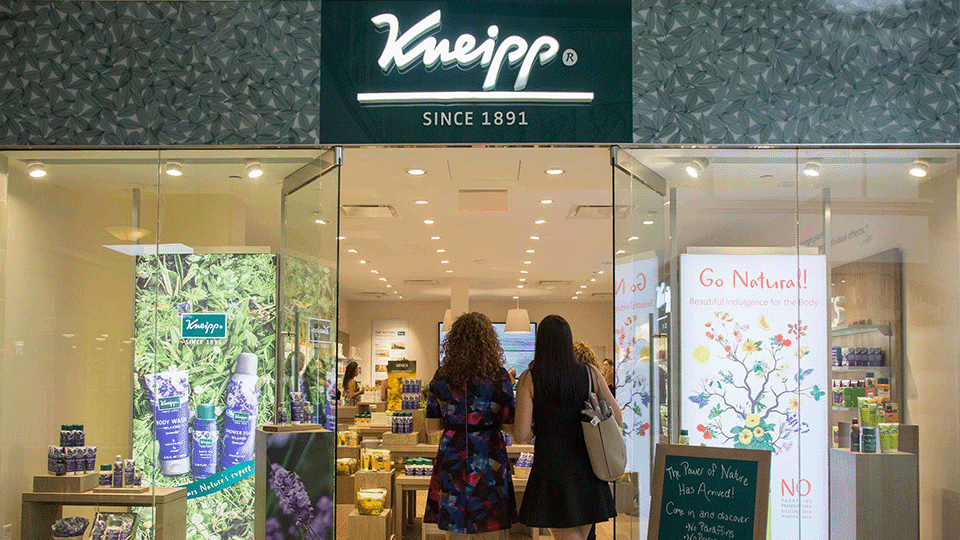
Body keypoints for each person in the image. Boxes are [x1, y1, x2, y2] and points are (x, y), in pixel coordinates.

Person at [514, 315, 622, 540]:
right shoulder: (591, 372)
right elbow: (617, 417)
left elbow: (521, 434)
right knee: (579, 535)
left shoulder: (529, 379)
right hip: (589, 465)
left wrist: (540, 426)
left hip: (552, 467)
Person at [424, 312, 516, 540]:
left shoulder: (443, 376)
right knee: (489, 522)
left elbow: (431, 426)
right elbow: (510, 426)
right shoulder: (499, 377)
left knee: (455, 523)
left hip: (453, 452)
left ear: (454, 342)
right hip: (489, 452)